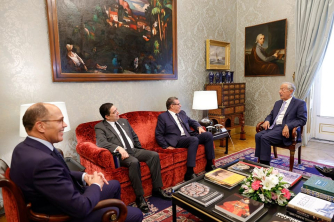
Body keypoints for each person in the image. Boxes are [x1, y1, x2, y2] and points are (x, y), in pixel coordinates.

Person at [10, 103, 143, 222]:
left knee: (114, 184)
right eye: (60, 121)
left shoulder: (23, 148)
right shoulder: (42, 162)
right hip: (67, 214)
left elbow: (60, 173)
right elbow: (80, 208)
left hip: (63, 198)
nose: (65, 125)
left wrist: (85, 176)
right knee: (136, 214)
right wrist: (95, 184)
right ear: (41, 126)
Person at [95, 103, 171, 213]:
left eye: (117, 110)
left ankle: (157, 189)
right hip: (121, 154)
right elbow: (101, 142)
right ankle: (140, 197)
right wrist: (118, 148)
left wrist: (139, 148)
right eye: (114, 112)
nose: (118, 113)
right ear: (107, 116)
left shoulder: (123, 121)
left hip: (133, 150)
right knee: (134, 162)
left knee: (153, 155)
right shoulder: (100, 127)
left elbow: (134, 136)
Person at [155, 97, 216, 181]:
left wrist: (199, 127)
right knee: (193, 140)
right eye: (178, 104)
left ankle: (209, 164)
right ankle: (189, 172)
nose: (180, 105)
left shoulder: (182, 113)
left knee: (208, 135)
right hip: (177, 140)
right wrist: (165, 146)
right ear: (172, 106)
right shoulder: (163, 117)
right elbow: (158, 133)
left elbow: (192, 121)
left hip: (189, 135)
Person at [255, 82, 307, 165]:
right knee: (258, 135)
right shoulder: (278, 103)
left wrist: (288, 126)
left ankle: (264, 164)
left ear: (291, 91)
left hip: (285, 130)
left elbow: (302, 120)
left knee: (265, 137)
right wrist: (267, 120)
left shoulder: (299, 103)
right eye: (280, 89)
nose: (280, 91)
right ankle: (260, 159)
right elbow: (271, 115)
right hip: (274, 127)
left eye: (282, 89)